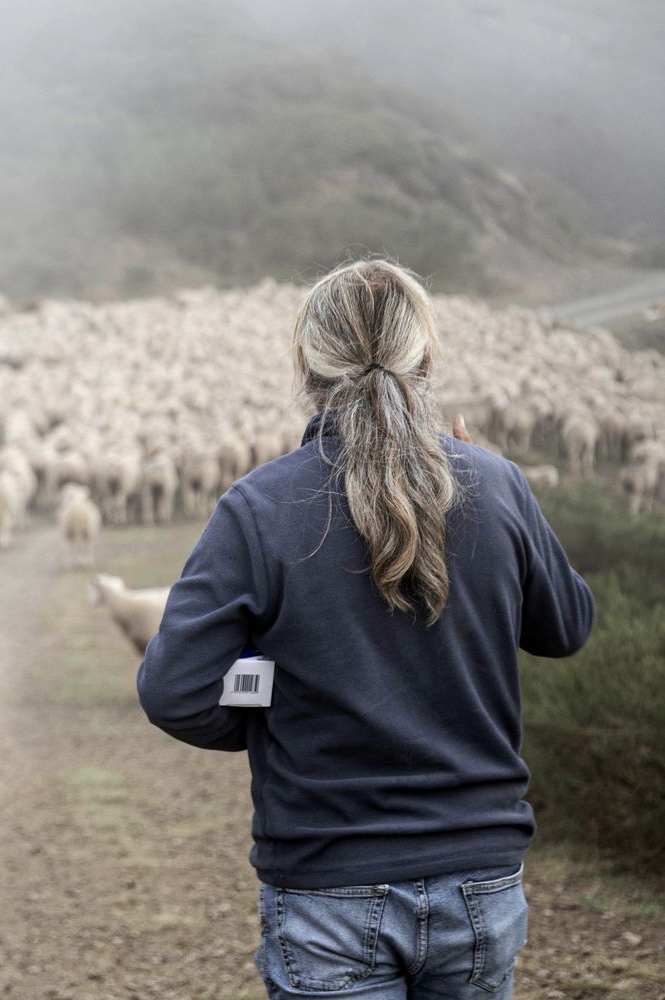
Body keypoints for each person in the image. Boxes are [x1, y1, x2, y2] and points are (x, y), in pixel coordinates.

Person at [136, 258, 594, 999]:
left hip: (328, 882)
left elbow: (175, 691)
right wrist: (489, 480)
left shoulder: (259, 507)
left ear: (306, 367)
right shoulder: (495, 484)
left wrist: (277, 721)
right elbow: (567, 625)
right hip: (478, 877)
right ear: (427, 361)